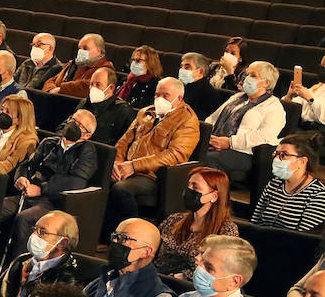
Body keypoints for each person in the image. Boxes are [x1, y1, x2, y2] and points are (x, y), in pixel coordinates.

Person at [2, 111, 98, 257]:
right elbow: (28, 165)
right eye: (73, 120)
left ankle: (19, 264)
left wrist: (41, 190)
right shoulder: (49, 142)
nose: (72, 125)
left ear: (86, 135)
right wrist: (21, 178)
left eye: (79, 125)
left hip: (52, 202)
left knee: (24, 218)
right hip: (28, 193)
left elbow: (75, 183)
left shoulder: (87, 152)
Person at [107, 77, 200, 226]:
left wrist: (134, 166)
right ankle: (100, 234)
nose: (159, 99)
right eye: (157, 95)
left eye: (165, 95)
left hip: (153, 176)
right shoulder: (146, 112)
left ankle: (130, 231)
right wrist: (116, 162)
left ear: (179, 98)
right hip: (126, 166)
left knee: (121, 189)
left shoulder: (187, 120)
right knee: (100, 178)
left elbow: (176, 155)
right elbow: (124, 141)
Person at [200, 61, 287, 180]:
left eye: (253, 75)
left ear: (266, 83)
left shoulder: (273, 107)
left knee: (206, 158)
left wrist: (230, 142)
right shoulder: (237, 97)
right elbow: (212, 118)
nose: (247, 78)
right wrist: (209, 137)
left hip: (244, 152)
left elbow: (264, 136)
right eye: (247, 74)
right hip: (214, 142)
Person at [0, 210, 82, 297]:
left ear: (62, 243)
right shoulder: (22, 260)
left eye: (42, 232)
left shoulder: (67, 278)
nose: (34, 235)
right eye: (35, 229)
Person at [157, 168, 240, 277]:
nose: (188, 190)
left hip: (190, 286)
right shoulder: (175, 219)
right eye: (189, 185)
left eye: (195, 187)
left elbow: (220, 270)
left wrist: (185, 276)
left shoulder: (225, 230)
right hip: (159, 278)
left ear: (213, 196)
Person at [250, 133, 325, 232]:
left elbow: (304, 239)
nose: (276, 159)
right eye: (276, 154)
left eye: (283, 155)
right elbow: (255, 223)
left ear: (302, 161)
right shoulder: (274, 184)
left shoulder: (318, 197)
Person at [73, 66, 134, 146]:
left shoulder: (122, 110)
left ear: (111, 88)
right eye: (91, 84)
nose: (93, 88)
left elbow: (121, 143)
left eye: (98, 85)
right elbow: (68, 124)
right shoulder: (85, 103)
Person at [43, 34, 113, 99]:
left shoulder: (105, 68)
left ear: (98, 51)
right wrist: (51, 89)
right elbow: (52, 80)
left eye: (85, 48)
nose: (80, 51)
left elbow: (88, 87)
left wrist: (60, 89)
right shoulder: (73, 64)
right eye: (79, 48)